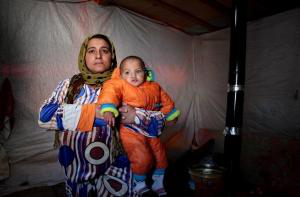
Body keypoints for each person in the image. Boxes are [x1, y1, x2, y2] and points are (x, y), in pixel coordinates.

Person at [38, 34, 167, 197]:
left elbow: (160, 122)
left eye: (104, 50)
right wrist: (92, 113)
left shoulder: (130, 81)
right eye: (92, 51)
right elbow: (44, 117)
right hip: (77, 176)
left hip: (119, 177)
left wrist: (136, 116)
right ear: (83, 56)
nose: (98, 55)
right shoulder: (69, 85)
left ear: (112, 55)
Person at [98, 56, 180, 196]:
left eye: (138, 71)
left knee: (160, 155)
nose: (133, 76)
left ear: (146, 72)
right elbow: (110, 91)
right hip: (131, 130)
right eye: (127, 72)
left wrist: (170, 115)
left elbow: (166, 101)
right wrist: (108, 109)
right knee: (142, 156)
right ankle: (139, 183)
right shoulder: (120, 84)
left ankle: (158, 181)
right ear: (121, 74)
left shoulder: (154, 86)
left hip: (151, 129)